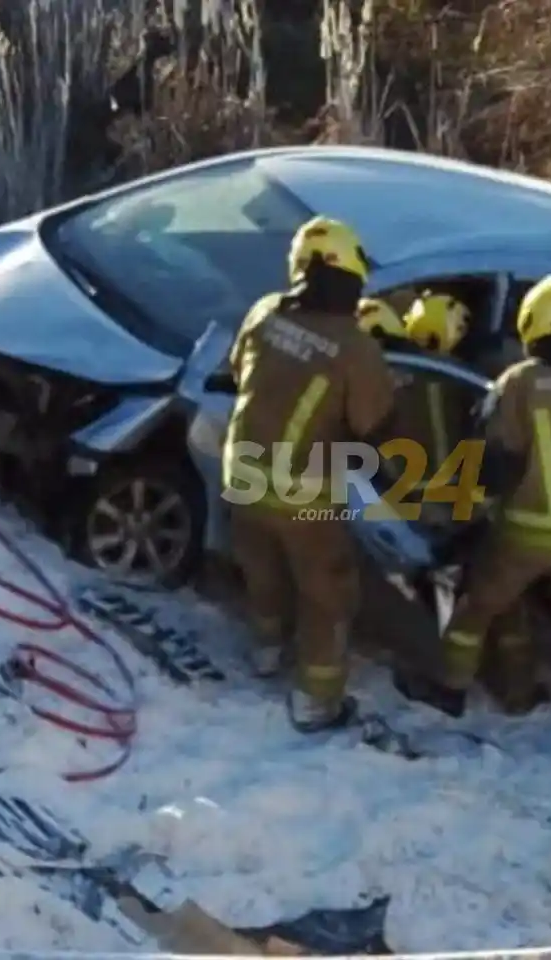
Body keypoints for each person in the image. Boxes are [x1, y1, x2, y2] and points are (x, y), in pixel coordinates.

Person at [393, 275, 551, 724]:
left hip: (525, 535)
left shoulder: (521, 382)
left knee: (476, 608)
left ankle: (449, 690)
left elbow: (498, 461)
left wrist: (467, 517)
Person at [223, 216, 398, 733]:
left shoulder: (265, 313)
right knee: (327, 592)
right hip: (304, 493)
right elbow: (374, 429)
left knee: (262, 567)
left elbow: (239, 372)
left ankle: (266, 649)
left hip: (242, 473)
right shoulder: (356, 347)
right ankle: (316, 699)